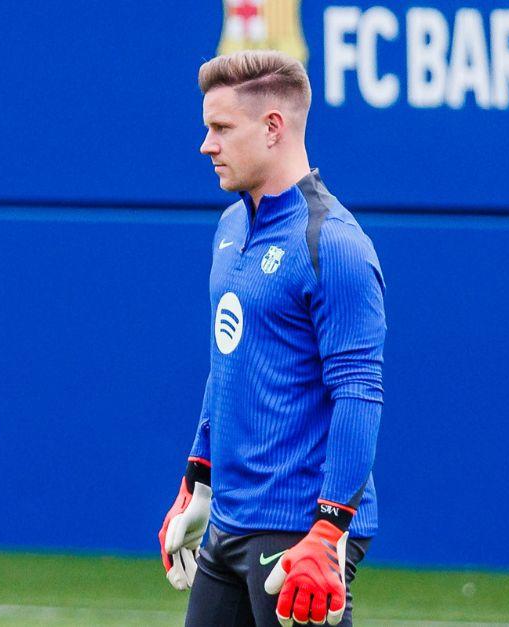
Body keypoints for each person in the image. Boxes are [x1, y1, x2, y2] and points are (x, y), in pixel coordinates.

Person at [158, 51, 386, 627]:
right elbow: (226, 359)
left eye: (220, 128)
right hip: (229, 523)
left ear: (272, 127)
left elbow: (358, 392)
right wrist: (198, 481)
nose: (205, 145)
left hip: (299, 534)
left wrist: (329, 530)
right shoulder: (231, 227)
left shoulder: (333, 245)